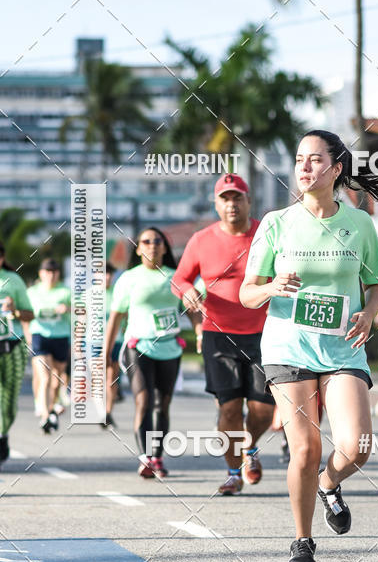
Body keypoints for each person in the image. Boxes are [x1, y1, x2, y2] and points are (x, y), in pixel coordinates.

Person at [240, 129, 378, 562]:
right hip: (287, 345)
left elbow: (376, 284)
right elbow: (246, 293)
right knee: (305, 447)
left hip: (342, 347)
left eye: (315, 159)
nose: (304, 167)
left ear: (336, 169)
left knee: (357, 446)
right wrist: (271, 287)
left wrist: (370, 313)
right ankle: (302, 540)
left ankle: (328, 483)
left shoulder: (359, 224)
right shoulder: (277, 223)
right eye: (299, 159)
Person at [171, 173, 275, 496]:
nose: (232, 204)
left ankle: (250, 446)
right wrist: (187, 292)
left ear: (248, 201)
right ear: (217, 204)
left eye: (237, 198)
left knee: (263, 411)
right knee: (229, 409)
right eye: (225, 199)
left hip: (263, 335)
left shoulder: (266, 234)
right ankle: (233, 473)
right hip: (219, 335)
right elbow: (179, 279)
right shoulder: (201, 240)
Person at [105, 227, 194, 478]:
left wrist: (199, 333)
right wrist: (106, 353)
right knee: (143, 400)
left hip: (170, 348)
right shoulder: (129, 278)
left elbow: (192, 307)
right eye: (146, 241)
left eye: (157, 241)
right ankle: (145, 457)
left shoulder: (176, 277)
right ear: (138, 248)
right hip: (139, 347)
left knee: (162, 405)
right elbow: (115, 317)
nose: (152, 245)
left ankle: (157, 456)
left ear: (165, 247)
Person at [28, 258, 71, 434]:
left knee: (57, 379)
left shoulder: (66, 291)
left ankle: (51, 407)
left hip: (60, 336)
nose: (51, 275)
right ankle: (45, 416)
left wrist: (68, 308)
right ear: (41, 273)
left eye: (54, 272)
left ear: (58, 274)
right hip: (39, 336)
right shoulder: (32, 292)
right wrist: (27, 334)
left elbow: (82, 311)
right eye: (47, 271)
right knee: (44, 377)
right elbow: (25, 313)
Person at [0, 242, 34, 465]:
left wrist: (14, 310)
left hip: (10, 347)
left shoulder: (14, 280)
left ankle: (2, 435)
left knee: (9, 399)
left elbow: (30, 315)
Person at [103, 262, 124, 429]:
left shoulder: (118, 293)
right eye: (103, 273)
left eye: (109, 273)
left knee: (112, 378)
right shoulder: (87, 295)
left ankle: (107, 413)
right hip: (94, 342)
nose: (107, 277)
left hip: (116, 341)